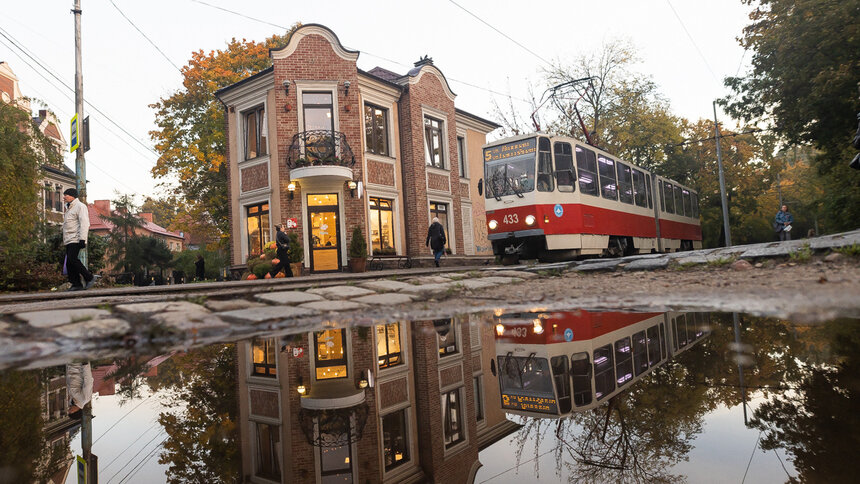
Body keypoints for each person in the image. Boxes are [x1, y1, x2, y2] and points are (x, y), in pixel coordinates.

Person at [62, 188, 95, 291]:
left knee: (72, 259)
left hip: (76, 238)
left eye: (66, 195)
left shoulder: (80, 206)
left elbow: (84, 223)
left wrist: (82, 239)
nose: (64, 197)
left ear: (73, 196)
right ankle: (76, 284)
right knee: (69, 263)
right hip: (68, 239)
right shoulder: (68, 208)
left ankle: (89, 277)